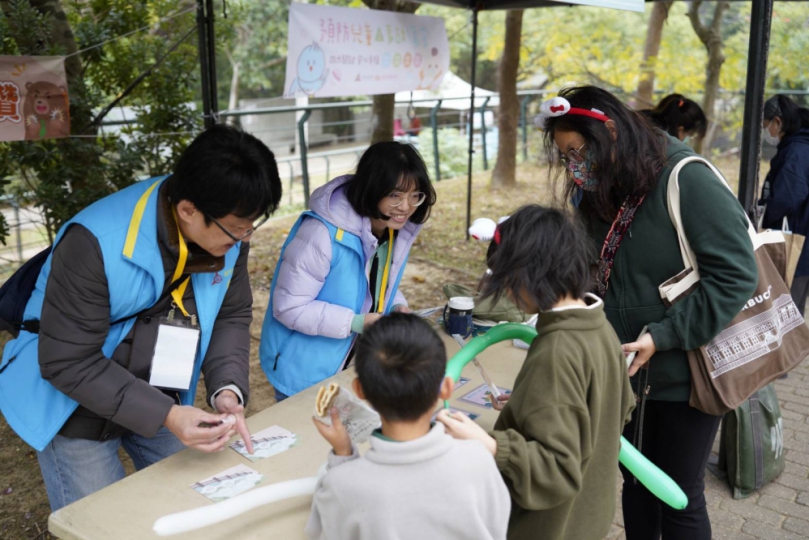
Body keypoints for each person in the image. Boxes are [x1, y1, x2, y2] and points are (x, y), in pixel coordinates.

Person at [0, 125, 282, 511]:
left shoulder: (226, 231)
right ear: (188, 210)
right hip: (73, 401)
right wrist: (166, 415)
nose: (245, 238)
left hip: (158, 387)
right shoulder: (95, 242)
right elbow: (67, 360)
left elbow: (230, 314)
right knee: (102, 521)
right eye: (237, 229)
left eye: (252, 225)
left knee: (201, 502)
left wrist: (227, 389)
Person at [537, 86, 757, 539]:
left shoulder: (686, 178)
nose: (574, 167)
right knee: (636, 484)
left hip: (684, 372)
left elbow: (736, 275)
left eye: (578, 152)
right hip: (628, 372)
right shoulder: (603, 184)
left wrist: (665, 334)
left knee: (677, 494)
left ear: (611, 132)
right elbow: (599, 269)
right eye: (565, 158)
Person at [437, 205, 635, 540]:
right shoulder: (598, 325)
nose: (508, 292)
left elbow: (556, 468)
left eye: (505, 279)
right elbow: (619, 406)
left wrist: (487, 443)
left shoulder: (557, 349)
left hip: (553, 526)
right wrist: (532, 402)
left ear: (527, 274)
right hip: (590, 514)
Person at [305, 313, 511, 540]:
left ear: (359, 389)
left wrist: (343, 456)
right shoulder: (479, 459)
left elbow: (320, 532)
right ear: (446, 388)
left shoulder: (342, 484)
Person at [260, 141, 435, 401]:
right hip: (304, 370)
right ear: (372, 189)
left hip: (354, 365)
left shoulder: (391, 230)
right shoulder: (320, 234)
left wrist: (397, 305)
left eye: (415, 195)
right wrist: (356, 322)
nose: (406, 207)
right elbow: (289, 307)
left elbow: (372, 283)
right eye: (396, 195)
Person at [759, 94, 809, 314]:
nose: (766, 132)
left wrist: (764, 212)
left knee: (789, 308)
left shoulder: (795, 152)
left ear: (777, 122)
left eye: (765, 126)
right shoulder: (801, 147)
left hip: (799, 240)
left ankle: (793, 349)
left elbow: (789, 197)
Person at [640, 93, 707, 144]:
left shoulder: (642, 120)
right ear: (680, 129)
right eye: (690, 135)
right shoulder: (656, 144)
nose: (688, 139)